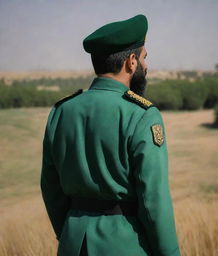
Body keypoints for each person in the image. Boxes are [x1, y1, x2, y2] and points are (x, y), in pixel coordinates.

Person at [41, 14, 180, 256]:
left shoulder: (61, 111)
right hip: (125, 245)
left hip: (73, 244)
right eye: (145, 58)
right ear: (131, 62)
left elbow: (51, 188)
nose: (146, 66)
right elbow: (154, 202)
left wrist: (69, 233)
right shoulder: (142, 115)